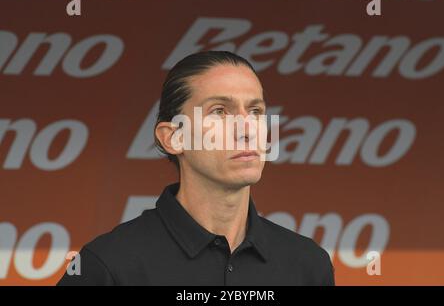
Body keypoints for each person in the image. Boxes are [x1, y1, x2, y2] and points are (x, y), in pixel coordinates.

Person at [57, 51, 335, 286]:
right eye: (219, 111)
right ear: (173, 137)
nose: (247, 129)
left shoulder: (308, 265)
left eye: (255, 112)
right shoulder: (108, 265)